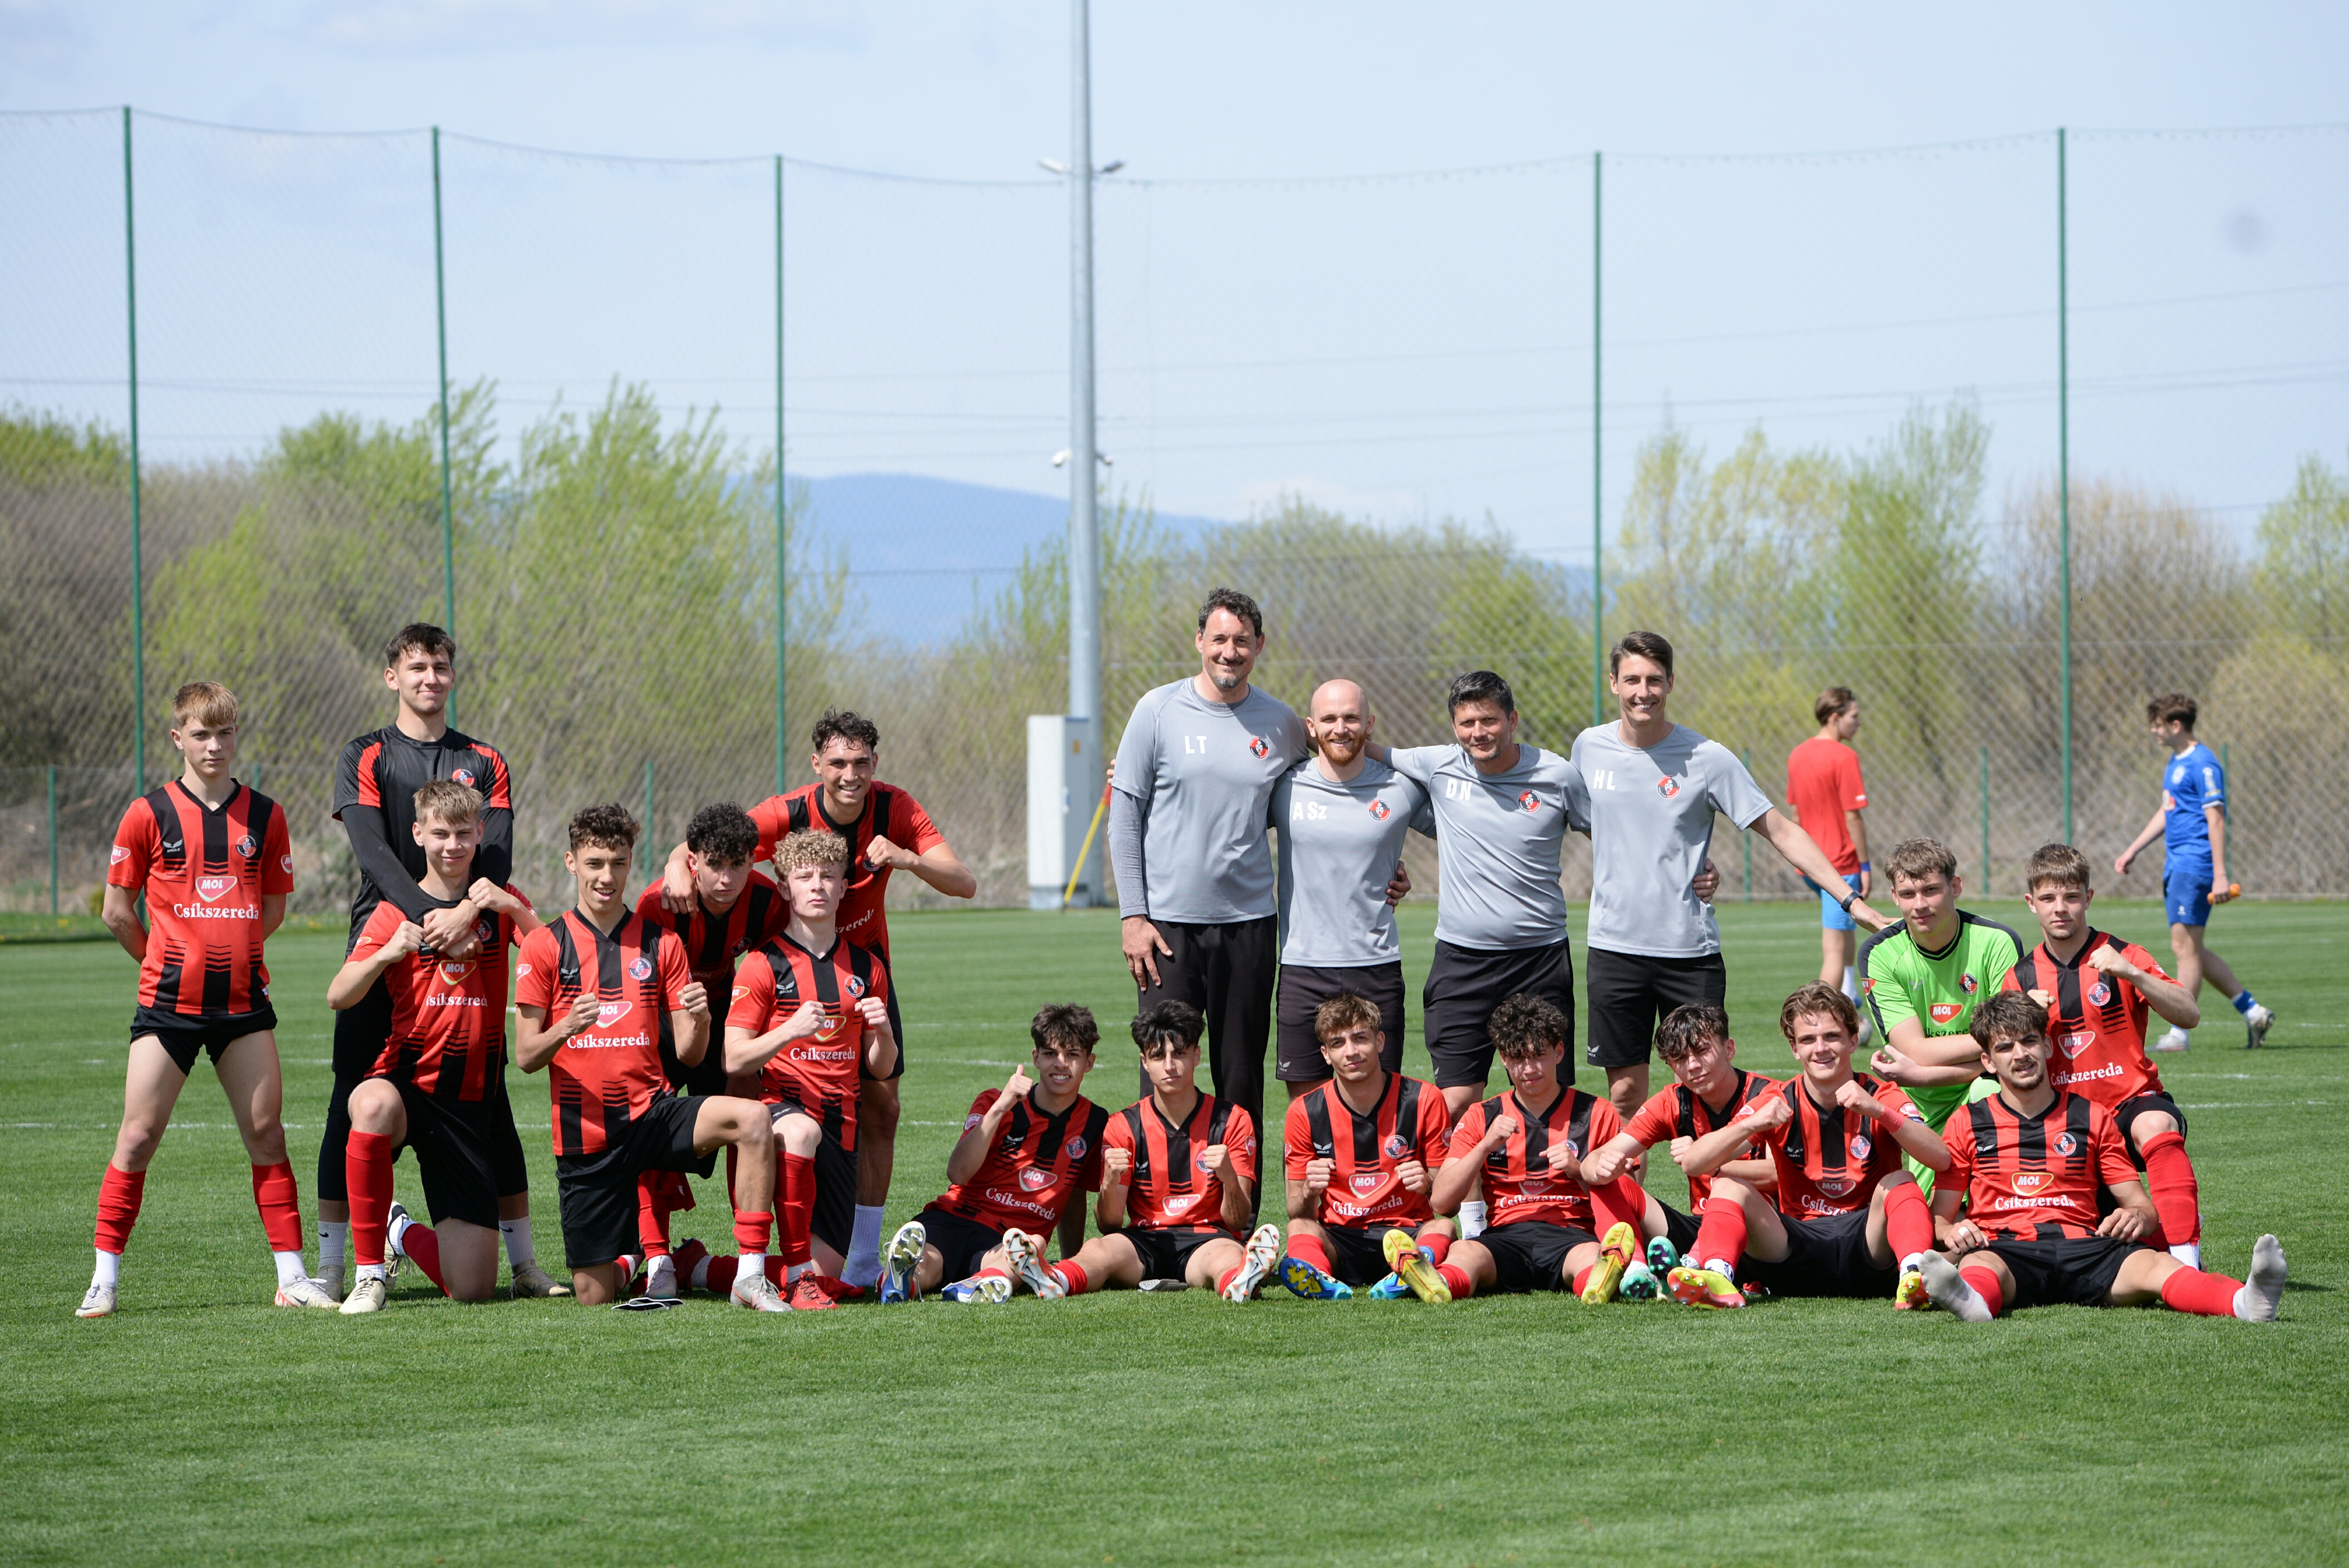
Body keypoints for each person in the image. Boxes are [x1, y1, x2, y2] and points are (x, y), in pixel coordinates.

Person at [660, 708, 974, 1289]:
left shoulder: (895, 808)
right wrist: (674, 863)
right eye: (837, 762)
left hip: (864, 974)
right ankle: (744, 1246)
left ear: (875, 764)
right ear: (817, 765)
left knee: (882, 1108)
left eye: (860, 763)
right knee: (749, 1091)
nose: (849, 774)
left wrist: (904, 857)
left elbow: (963, 881)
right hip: (787, 965)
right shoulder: (787, 812)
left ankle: (856, 1256)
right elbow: (712, 844)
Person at [320, 624, 561, 1300]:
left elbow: (501, 856)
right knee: (355, 1102)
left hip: (468, 929)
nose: (431, 678)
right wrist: (427, 920)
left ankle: (518, 1262)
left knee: (492, 1105)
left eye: (441, 666)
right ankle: (343, 1268)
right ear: (392, 675)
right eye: (417, 666)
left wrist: (471, 916)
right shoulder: (367, 753)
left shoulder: (484, 759)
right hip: (391, 937)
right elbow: (371, 851)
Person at [81, 682, 332, 1316]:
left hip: (243, 1007)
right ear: (178, 739)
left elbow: (272, 908)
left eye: (224, 733)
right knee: (137, 1137)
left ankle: (292, 1277)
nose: (214, 746)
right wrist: (163, 959)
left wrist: (231, 950)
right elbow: (117, 912)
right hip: (167, 1008)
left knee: (267, 1134)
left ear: (235, 736)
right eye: (200, 734)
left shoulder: (266, 815)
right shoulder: (148, 813)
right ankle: (104, 1279)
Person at [1573, 631, 1887, 1121]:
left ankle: (1720, 1200)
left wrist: (1853, 901)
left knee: (1710, 1091)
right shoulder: (1588, 748)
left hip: (1688, 954)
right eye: (1632, 679)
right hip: (1615, 950)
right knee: (1625, 1097)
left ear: (1671, 683)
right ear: (1613, 683)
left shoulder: (1707, 757)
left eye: (1654, 680)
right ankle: (1632, 1200)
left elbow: (1781, 830)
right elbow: (1581, 822)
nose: (1643, 691)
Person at [513, 804, 784, 1309]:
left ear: (631, 862)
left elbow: (687, 1052)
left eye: (618, 863)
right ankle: (651, 1258)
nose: (606, 876)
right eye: (594, 863)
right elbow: (526, 1056)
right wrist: (567, 1026)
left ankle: (749, 1274)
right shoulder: (543, 945)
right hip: (585, 1138)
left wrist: (701, 1019)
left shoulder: (662, 943)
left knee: (752, 1119)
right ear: (571, 862)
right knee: (594, 1296)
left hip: (652, 1116)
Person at [1112, 587, 1309, 1217]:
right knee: (1163, 1067)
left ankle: (1240, 1218)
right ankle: (1157, 1212)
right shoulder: (1158, 710)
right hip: (1166, 926)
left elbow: (1326, 794)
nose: (1230, 650)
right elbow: (1125, 814)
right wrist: (1133, 915)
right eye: (1219, 639)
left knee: (1240, 1074)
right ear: (1199, 641)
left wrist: (1384, 865)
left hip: (1248, 925)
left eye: (1242, 640)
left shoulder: (1280, 724)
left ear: (1259, 645)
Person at [1919, 990, 2286, 1324]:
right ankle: (1973, 1301)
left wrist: (2135, 1217)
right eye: (2005, 1048)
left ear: (2048, 1046)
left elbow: (2143, 1208)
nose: (2021, 1055)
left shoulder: (2092, 1116)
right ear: (1988, 1061)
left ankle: (2244, 1301)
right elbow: (1940, 1218)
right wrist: (1953, 1230)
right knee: (1979, 1265)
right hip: (2007, 1250)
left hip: (2087, 1249)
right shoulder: (1967, 1122)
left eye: (2029, 1041)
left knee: (2157, 1264)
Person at [327, 781, 541, 1312]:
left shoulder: (499, 902)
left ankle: (400, 1231)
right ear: (418, 834)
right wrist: (383, 955)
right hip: (406, 1083)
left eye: (463, 834)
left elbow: (559, 956)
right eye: (440, 834)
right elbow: (338, 994)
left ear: (480, 834)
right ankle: (369, 1275)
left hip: (466, 1104)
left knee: (472, 1290)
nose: (452, 846)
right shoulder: (393, 909)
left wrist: (514, 911)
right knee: (371, 1105)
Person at [1666, 984, 1947, 1310]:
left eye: (1832, 1036)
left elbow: (1939, 1157)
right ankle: (1716, 1276)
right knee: (1729, 1186)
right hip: (1798, 1248)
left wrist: (1879, 1112)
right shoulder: (1777, 1100)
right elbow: (1694, 1164)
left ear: (1853, 1041)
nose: (1820, 1049)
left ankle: (1915, 1276)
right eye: (1808, 1040)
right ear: (1794, 1049)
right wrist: (1751, 1124)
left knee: (1901, 1181)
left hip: (1868, 1244)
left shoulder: (1880, 1095)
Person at [707, 829, 896, 1311]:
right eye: (804, 876)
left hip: (843, 1125)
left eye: (828, 877)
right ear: (785, 887)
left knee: (826, 1269)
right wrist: (789, 1030)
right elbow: (734, 1058)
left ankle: (703, 1267)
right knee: (800, 1131)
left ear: (842, 887)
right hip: (780, 1113)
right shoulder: (762, 964)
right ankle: (795, 1278)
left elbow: (881, 1067)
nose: (817, 886)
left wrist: (883, 1035)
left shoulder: (866, 966)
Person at [2003, 842, 2206, 1265]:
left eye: (2072, 897)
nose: (2061, 908)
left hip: (2129, 1106)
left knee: (2156, 1123)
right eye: (2048, 899)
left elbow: (2189, 1014)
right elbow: (2001, 1061)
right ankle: (2168, 1226)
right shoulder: (2019, 978)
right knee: (2098, 1243)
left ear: (2088, 899)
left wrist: (2133, 974)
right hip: (2067, 1127)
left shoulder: (2124, 955)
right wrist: (2025, 1018)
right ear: (2031, 903)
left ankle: (2189, 1261)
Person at [1026, 1001, 1283, 1303]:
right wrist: (1109, 1182)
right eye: (1159, 1056)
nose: (1170, 1066)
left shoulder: (1232, 1120)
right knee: (1099, 1249)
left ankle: (1238, 1281)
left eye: (1180, 1054)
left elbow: (1237, 1222)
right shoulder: (1122, 1125)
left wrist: (1228, 1178)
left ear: (1197, 1056)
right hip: (1143, 1241)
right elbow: (1109, 1224)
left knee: (1227, 1255)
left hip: (1206, 1239)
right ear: (1145, 1062)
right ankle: (1054, 1279)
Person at [631, 801, 789, 1289]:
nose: (726, 878)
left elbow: (773, 972)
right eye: (714, 864)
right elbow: (640, 985)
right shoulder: (659, 903)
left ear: (753, 861)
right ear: (693, 861)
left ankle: (750, 1260)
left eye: (737, 864)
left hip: (728, 1017)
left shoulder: (767, 902)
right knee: (649, 1115)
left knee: (749, 1110)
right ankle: (656, 1258)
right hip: (661, 1017)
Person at [1269, 677, 1429, 1115]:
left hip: (1375, 966)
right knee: (1307, 1113)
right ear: (1311, 727)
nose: (1341, 728)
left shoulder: (1402, 789)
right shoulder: (1284, 786)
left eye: (1352, 717)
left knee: (1382, 1106)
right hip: (1303, 968)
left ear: (1370, 723)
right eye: (1330, 719)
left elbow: (1465, 821)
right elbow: (1218, 807)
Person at [876, 1005, 1108, 1304]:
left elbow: (1074, 1193)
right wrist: (1001, 1108)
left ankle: (974, 1286)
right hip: (953, 1218)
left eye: (1072, 1055)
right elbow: (958, 1173)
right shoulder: (995, 1101)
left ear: (1089, 1063)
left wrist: (1071, 1259)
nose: (1060, 1064)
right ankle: (900, 1282)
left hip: (1006, 1242)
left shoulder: (1094, 1122)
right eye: (1050, 1054)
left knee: (1032, 1244)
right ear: (1036, 1057)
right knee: (927, 1263)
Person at [1430, 993, 1645, 1302]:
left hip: (1572, 1236)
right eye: (1518, 1058)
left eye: (1538, 1055)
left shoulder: (1597, 1112)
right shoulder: (1483, 1115)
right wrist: (1484, 1146)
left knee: (1590, 1257)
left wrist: (1577, 1170)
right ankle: (1439, 1286)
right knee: (1464, 1251)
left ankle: (1597, 1285)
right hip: (1505, 1236)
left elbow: (1629, 1197)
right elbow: (1441, 1202)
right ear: (1504, 1059)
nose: (1529, 1069)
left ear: (1559, 1052)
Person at [1858, 836, 2024, 1190]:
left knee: (1988, 1090)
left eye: (1931, 890)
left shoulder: (1996, 942)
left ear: (1956, 887)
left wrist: (1920, 1075)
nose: (1920, 905)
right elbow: (1914, 1051)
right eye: (1908, 894)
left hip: (1986, 1084)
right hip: (1922, 1107)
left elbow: (2013, 1044)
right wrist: (1990, 1050)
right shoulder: (1880, 954)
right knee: (1928, 1213)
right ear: (1894, 897)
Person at [2114, 693, 2274, 1052]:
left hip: (2194, 864)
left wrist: (2220, 874)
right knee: (2193, 949)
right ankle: (2252, 1011)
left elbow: (2216, 818)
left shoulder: (2204, 763)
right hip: (2178, 864)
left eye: (2157, 725)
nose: (2153, 732)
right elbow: (2167, 811)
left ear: (2175, 725)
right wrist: (2133, 849)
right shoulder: (2176, 761)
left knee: (2183, 949)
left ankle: (2179, 1032)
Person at [1277, 993, 1458, 1302]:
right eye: (1338, 1043)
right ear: (1325, 1054)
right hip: (1341, 1238)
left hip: (1406, 1235)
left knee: (1443, 1228)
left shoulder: (1425, 1099)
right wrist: (1309, 1190)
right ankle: (1319, 1278)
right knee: (1299, 1228)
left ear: (1380, 1041)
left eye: (1360, 1038)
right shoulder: (1304, 1111)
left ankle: (1411, 1268)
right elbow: (1297, 1209)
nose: (1351, 1052)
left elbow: (1446, 1205)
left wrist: (1428, 1184)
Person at [1580, 1002, 1780, 1273]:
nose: (1693, 1065)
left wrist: (1710, 1162)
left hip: (1763, 1231)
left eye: (1702, 1051)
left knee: (1731, 1187)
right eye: (1681, 1059)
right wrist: (1600, 1168)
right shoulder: (1672, 1102)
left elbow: (1778, 1174)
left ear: (1729, 1049)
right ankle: (1636, 1270)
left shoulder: (1767, 1096)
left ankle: (1704, 1266)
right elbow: (1598, 1157)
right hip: (1701, 1225)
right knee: (1608, 1182)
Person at [1785, 686, 1872, 1007]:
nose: (1858, 723)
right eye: (1854, 716)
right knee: (1834, 949)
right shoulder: (1844, 756)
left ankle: (1848, 991)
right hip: (1841, 865)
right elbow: (1853, 818)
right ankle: (1820, 1016)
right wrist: (1865, 866)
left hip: (1811, 864)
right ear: (1835, 718)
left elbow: (1795, 813)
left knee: (1845, 931)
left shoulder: (1798, 754)